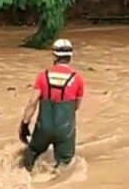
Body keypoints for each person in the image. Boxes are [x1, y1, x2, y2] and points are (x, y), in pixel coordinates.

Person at [18, 38, 85, 172]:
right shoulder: (77, 78)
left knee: (31, 154)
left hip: (43, 127)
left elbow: (32, 103)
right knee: (65, 165)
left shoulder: (43, 76)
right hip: (65, 130)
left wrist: (24, 124)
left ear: (54, 56)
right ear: (70, 56)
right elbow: (76, 106)